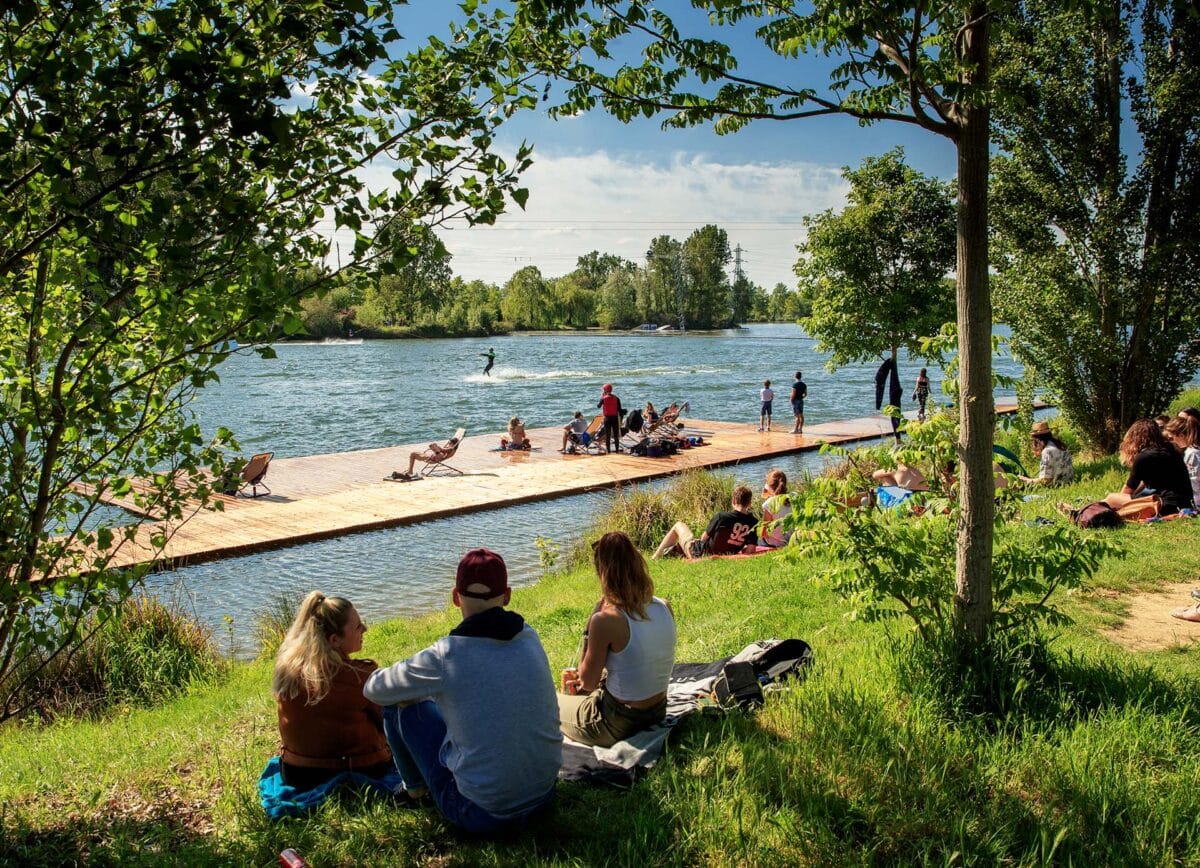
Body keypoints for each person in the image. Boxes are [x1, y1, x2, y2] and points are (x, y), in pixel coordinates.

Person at [364, 549, 562, 835]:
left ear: (456, 597)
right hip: (544, 796)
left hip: (481, 814)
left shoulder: (446, 655)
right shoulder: (529, 635)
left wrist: (418, 689)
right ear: (507, 596)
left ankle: (414, 792)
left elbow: (374, 690)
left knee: (397, 706)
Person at [558, 532, 677, 747]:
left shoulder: (606, 620)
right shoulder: (664, 606)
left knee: (549, 702)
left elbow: (587, 682)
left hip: (619, 723)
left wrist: (589, 628)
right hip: (658, 710)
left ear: (603, 574)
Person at [272, 592, 395, 793]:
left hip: (295, 773)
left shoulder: (287, 672)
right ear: (335, 639)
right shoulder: (359, 677)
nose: (365, 629)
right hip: (360, 768)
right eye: (358, 626)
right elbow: (388, 721)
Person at [1102, 419, 1195, 515]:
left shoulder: (1144, 457)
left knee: (1111, 498)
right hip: (1184, 503)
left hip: (1165, 505)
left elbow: (1128, 490)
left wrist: (1118, 500)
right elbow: (1142, 483)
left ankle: (1098, 508)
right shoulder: (1171, 449)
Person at [652, 485, 758, 559]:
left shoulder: (721, 517)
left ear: (734, 501)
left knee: (679, 525)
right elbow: (750, 550)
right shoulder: (754, 522)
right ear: (749, 503)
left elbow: (703, 538)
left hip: (699, 553)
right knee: (681, 546)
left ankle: (655, 557)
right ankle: (673, 551)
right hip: (725, 553)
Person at [1018, 420, 1074, 485]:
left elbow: (1045, 480)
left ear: (1037, 439)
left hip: (1058, 484)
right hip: (1069, 480)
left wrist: (1027, 480)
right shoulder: (1060, 445)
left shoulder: (1047, 451)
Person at [1164, 414, 1200, 510]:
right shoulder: (1194, 450)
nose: (1172, 442)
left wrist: (1193, 505)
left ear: (1181, 435)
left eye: (1172, 438)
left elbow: (1194, 482)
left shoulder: (1192, 454)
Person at [395, 436, 460, 479]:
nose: (449, 443)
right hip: (434, 456)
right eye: (449, 442)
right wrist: (438, 448)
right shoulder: (450, 448)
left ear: (453, 444)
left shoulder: (452, 449)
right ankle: (410, 471)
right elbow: (442, 450)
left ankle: (410, 471)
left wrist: (438, 448)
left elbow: (443, 451)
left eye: (450, 442)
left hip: (436, 458)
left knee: (433, 445)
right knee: (413, 454)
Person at [758, 469, 792, 548]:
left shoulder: (769, 504)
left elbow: (764, 533)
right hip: (792, 539)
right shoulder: (794, 496)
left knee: (758, 537)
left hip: (777, 543)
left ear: (768, 486)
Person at [597, 383, 623, 454]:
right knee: (616, 435)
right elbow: (619, 409)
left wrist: (602, 396)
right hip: (615, 418)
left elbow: (598, 406)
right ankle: (617, 450)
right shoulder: (617, 398)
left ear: (605, 390)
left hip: (607, 418)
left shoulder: (603, 398)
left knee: (608, 435)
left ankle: (608, 451)